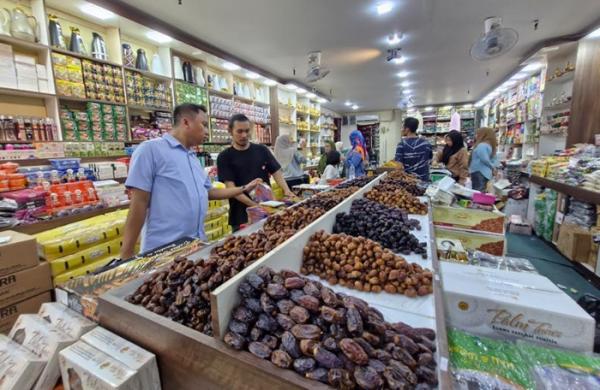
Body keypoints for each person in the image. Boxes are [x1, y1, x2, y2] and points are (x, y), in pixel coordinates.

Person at [120, 104, 263, 258]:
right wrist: (126, 255)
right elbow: (138, 202)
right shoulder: (150, 150)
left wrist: (244, 188)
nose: (207, 131)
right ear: (186, 122)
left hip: (196, 246)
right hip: (163, 251)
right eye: (204, 125)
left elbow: (210, 192)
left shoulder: (192, 157)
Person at [217, 114, 296, 231]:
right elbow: (231, 189)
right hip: (241, 216)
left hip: (267, 212)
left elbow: (276, 172)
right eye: (239, 131)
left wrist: (287, 190)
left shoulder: (262, 150)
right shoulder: (224, 157)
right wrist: (255, 206)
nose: (244, 135)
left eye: (247, 131)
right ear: (230, 131)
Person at [394, 117, 433, 181]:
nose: (401, 129)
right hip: (424, 180)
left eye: (403, 127)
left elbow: (399, 167)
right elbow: (430, 160)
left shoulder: (401, 145)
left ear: (407, 129)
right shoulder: (426, 143)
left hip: (410, 183)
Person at [469, 127, 498, 192]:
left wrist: (492, 167)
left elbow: (484, 159)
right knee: (482, 191)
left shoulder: (482, 145)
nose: (476, 136)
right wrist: (494, 167)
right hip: (485, 172)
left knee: (478, 192)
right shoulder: (490, 146)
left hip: (479, 171)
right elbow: (494, 159)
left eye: (477, 134)